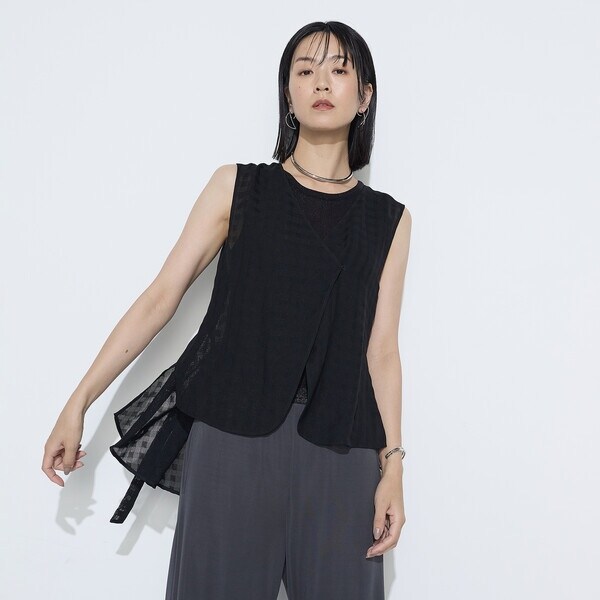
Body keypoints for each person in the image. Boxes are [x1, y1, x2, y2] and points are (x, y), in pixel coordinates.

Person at [42, 20, 412, 600]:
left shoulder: (389, 219)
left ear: (364, 96)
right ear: (288, 93)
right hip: (233, 440)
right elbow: (161, 296)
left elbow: (381, 350)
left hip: (344, 449)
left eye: (339, 70)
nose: (321, 82)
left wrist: (393, 466)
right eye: (305, 70)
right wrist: (78, 401)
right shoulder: (237, 188)